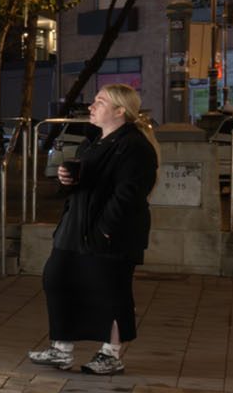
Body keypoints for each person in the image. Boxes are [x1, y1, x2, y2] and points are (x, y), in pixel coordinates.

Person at [27, 84, 161, 375]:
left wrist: (105, 230)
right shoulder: (94, 141)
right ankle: (61, 348)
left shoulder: (134, 146)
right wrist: (66, 180)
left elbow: (128, 195)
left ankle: (110, 354)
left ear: (120, 110)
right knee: (57, 278)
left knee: (111, 290)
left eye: (100, 102)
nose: (91, 106)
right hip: (76, 227)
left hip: (110, 232)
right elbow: (86, 184)